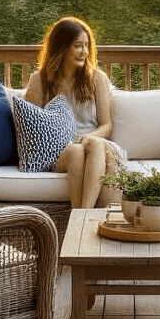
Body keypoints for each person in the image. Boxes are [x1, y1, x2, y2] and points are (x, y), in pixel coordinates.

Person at [25, 16, 124, 209]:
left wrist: (86, 138)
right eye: (78, 46)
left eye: (86, 46)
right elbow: (33, 125)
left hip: (95, 142)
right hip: (61, 149)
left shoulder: (97, 78)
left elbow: (107, 125)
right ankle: (83, 215)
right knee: (76, 151)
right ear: (61, 48)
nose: (84, 52)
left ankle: (80, 214)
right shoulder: (40, 79)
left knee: (91, 144)